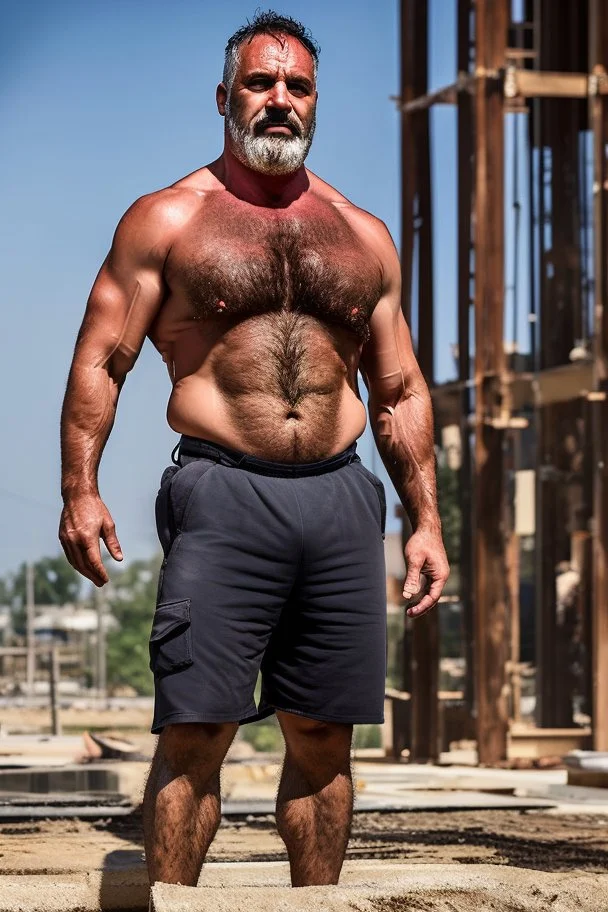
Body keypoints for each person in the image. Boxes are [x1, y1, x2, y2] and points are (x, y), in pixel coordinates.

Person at [59, 10, 449, 890]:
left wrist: (425, 519)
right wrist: (79, 489)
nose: (280, 100)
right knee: (196, 731)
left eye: (298, 86)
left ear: (317, 102)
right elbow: (101, 360)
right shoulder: (168, 219)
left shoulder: (363, 236)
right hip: (224, 494)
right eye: (261, 83)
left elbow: (399, 392)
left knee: (323, 737)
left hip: (341, 500)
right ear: (225, 97)